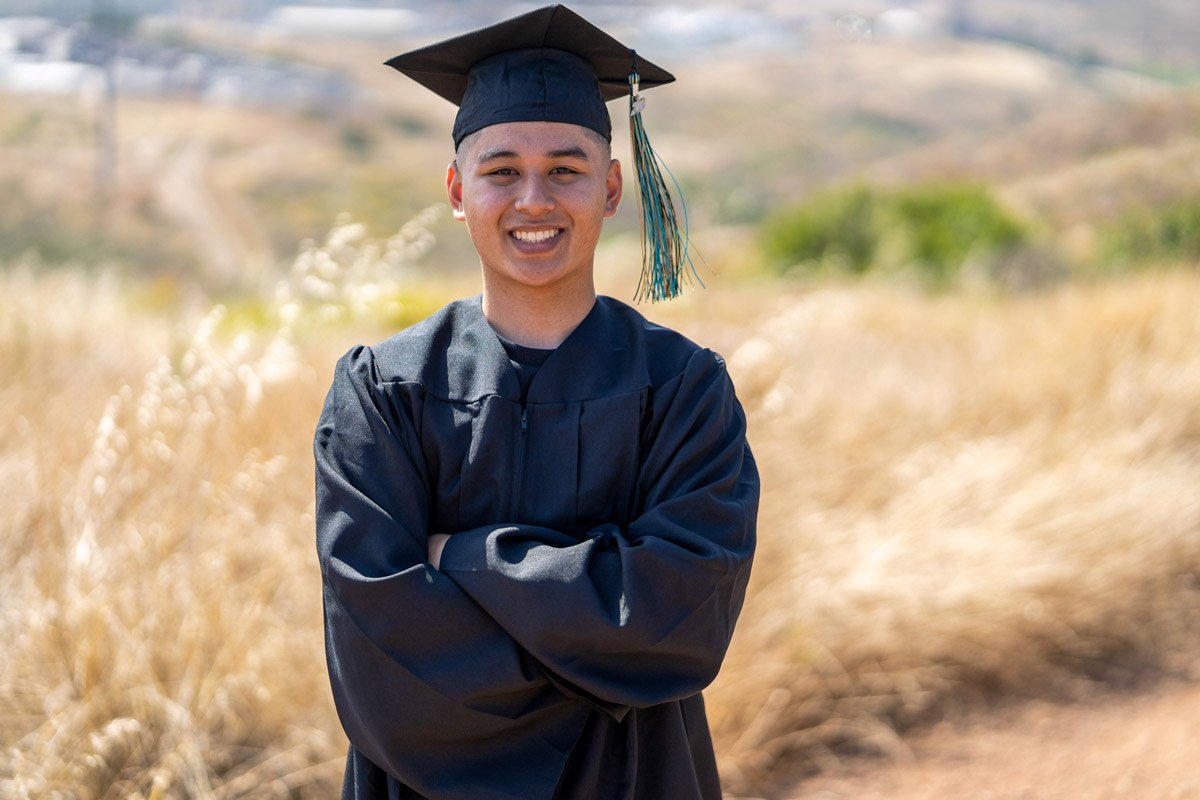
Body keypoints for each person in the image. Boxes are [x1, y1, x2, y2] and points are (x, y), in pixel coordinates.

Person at [313, 5, 759, 798]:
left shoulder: (684, 390)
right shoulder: (382, 394)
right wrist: (596, 650)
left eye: (565, 168)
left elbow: (679, 623)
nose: (533, 200)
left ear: (612, 187)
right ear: (457, 189)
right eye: (501, 170)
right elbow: (380, 649)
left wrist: (462, 557)